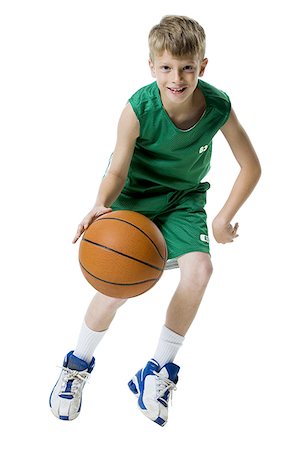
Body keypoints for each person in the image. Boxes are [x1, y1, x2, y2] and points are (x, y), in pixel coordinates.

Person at [49, 15, 261, 426]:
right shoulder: (137, 108)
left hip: (183, 199)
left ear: (202, 65)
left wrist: (223, 218)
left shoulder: (217, 106)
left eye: (186, 67)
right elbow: (116, 170)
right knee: (116, 285)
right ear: (151, 67)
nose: (176, 78)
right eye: (166, 67)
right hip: (135, 199)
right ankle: (76, 365)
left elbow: (251, 166)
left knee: (200, 270)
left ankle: (158, 369)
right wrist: (100, 203)